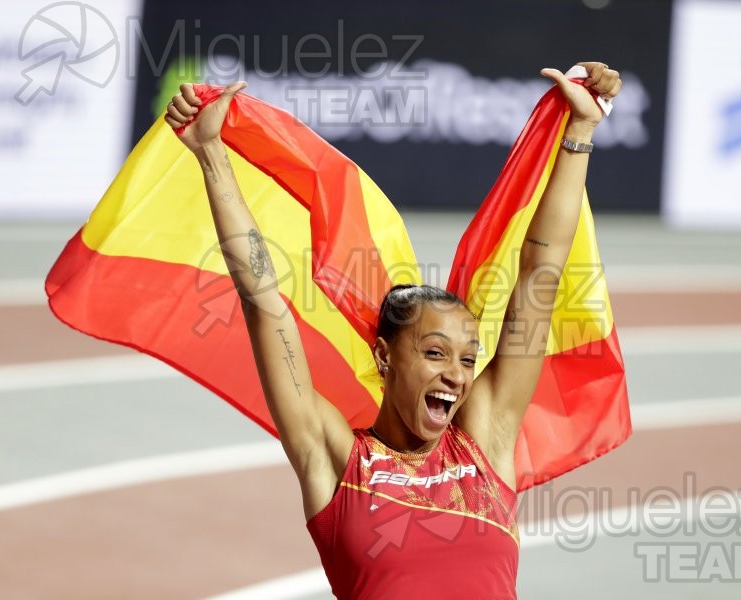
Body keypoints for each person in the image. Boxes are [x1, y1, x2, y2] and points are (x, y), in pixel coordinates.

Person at [165, 61, 622, 599]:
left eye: (468, 359)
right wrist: (212, 153)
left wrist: (580, 133)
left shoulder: (486, 441)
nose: (457, 374)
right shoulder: (334, 458)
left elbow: (541, 271)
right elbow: (265, 303)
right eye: (435, 352)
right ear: (385, 357)